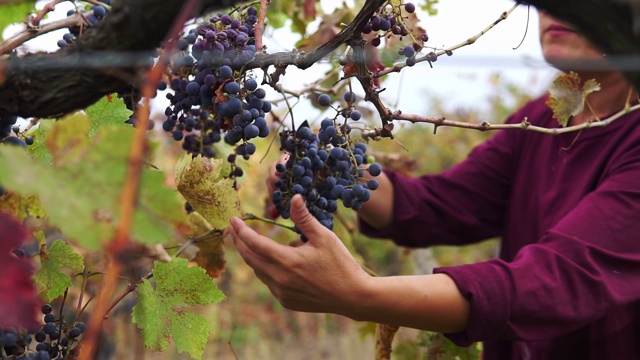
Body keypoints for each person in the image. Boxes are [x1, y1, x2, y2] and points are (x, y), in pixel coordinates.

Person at [228, 11, 640, 359]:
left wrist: (361, 295)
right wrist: (337, 166)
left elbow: (554, 281)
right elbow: (443, 205)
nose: (561, 10)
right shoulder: (540, 122)